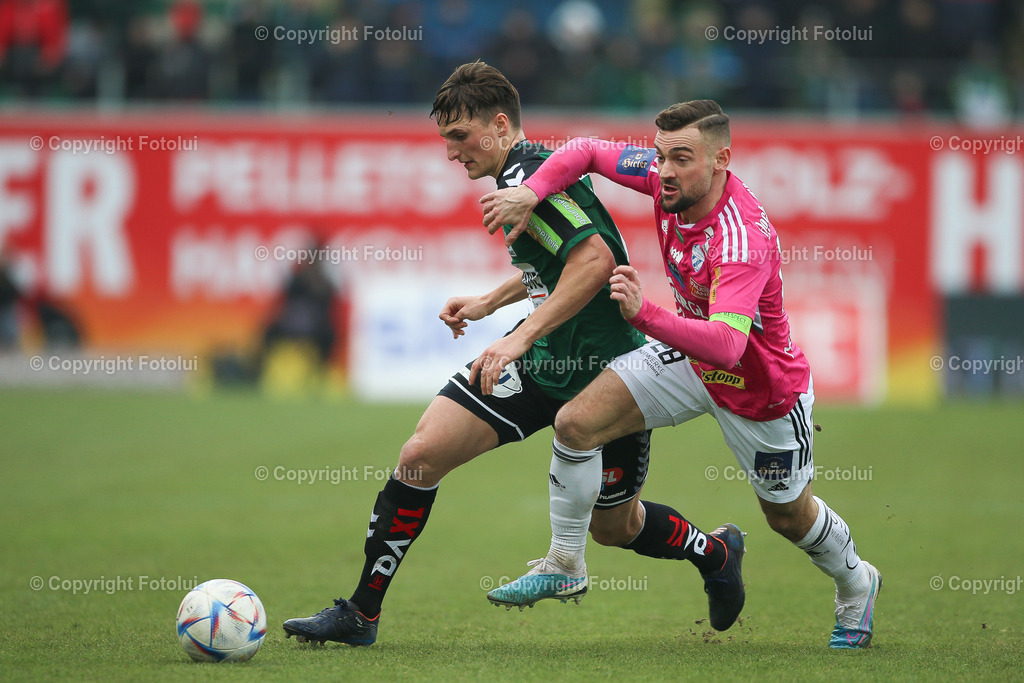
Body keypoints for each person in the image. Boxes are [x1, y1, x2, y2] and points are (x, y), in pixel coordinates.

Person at [281, 63, 745, 647]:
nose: (451, 153)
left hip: (606, 372)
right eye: (445, 140)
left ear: (500, 125)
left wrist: (517, 336)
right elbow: (552, 266)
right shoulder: (522, 176)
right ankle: (361, 613)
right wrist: (489, 302)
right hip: (542, 363)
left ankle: (716, 552)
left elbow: (595, 262)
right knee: (421, 455)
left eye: (459, 137)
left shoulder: (526, 175)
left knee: (615, 527)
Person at [480, 100, 881, 649]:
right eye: (661, 155)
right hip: (690, 358)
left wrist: (645, 314)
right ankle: (566, 561)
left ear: (721, 160)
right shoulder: (667, 180)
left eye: (681, 159)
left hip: (757, 388)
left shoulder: (741, 238)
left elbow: (728, 344)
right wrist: (534, 191)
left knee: (788, 517)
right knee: (576, 424)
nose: (664, 171)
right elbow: (588, 149)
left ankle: (857, 582)